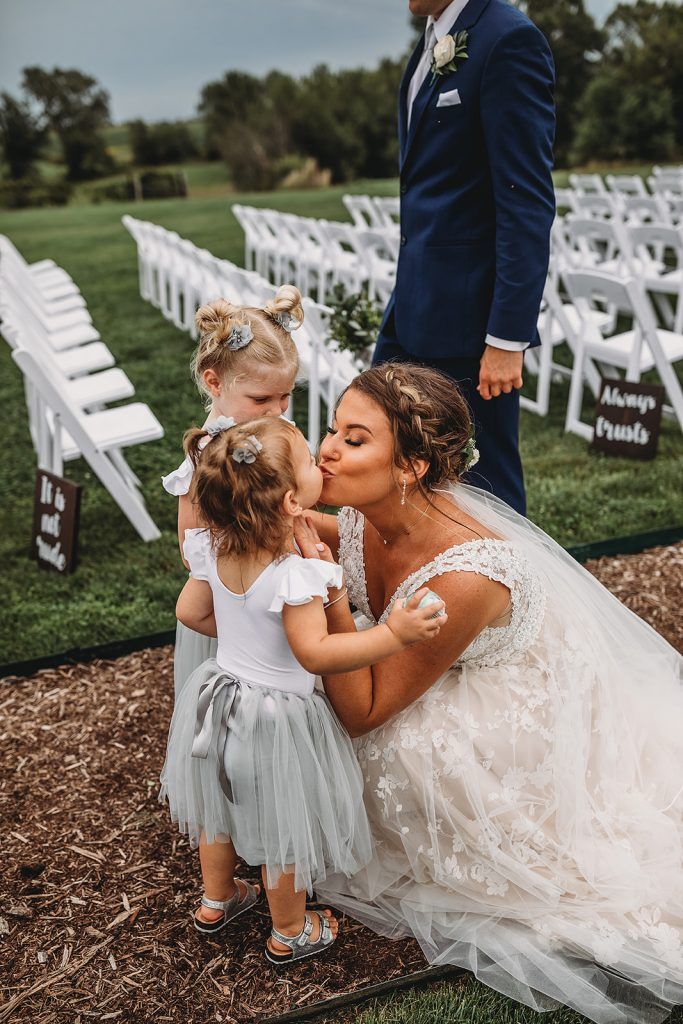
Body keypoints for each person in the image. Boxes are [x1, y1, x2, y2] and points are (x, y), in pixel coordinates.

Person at [296, 363, 683, 1022]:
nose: (326, 449)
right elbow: (342, 537)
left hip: (507, 708)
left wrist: (325, 592)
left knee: (396, 749)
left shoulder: (466, 574)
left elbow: (363, 711)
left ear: (410, 466)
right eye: (331, 430)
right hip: (427, 657)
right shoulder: (372, 508)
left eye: (353, 439)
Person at [158, 414, 445, 965]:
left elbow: (190, 611)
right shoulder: (296, 574)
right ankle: (290, 931)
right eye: (312, 461)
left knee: (217, 808)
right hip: (274, 717)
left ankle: (217, 900)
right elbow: (317, 653)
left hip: (216, 696)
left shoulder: (215, 548)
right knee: (281, 823)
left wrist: (249, 638)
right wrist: (392, 634)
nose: (322, 462)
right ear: (292, 502)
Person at [375, 0, 556, 513]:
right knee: (396, 461)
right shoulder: (431, 40)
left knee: (487, 483)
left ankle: (513, 591)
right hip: (413, 305)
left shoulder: (507, 40)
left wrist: (506, 338)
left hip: (472, 323)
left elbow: (526, 202)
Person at [161, 286, 301, 701]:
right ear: (214, 382)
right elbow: (191, 547)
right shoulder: (207, 455)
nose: (277, 410)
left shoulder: (271, 431)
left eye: (286, 397)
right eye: (262, 399)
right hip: (234, 600)